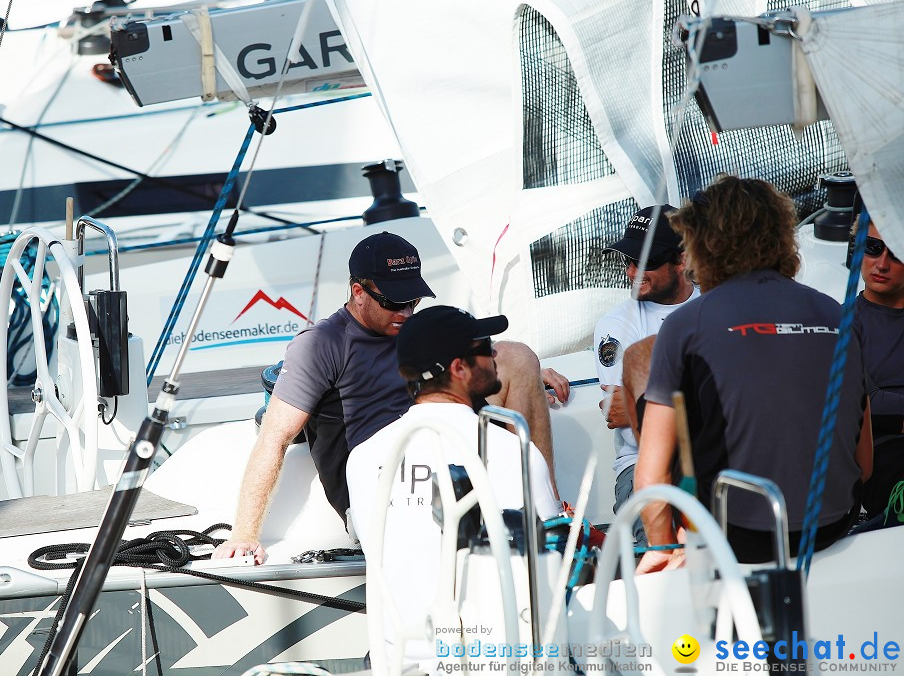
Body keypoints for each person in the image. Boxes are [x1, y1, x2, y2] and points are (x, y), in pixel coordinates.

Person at [213, 231, 568, 563]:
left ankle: (547, 510)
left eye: (413, 298)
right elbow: (273, 438)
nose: (406, 312)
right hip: (383, 490)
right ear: (358, 292)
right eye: (393, 301)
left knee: (519, 358)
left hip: (446, 464)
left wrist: (525, 376)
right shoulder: (321, 345)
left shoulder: (415, 330)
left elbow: (471, 364)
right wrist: (244, 534)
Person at [635, 175, 872, 570]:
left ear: (700, 244)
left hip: (741, 540)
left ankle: (670, 545)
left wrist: (662, 551)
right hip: (832, 524)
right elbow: (863, 465)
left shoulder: (684, 325)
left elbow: (651, 480)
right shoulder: (836, 313)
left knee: (636, 363)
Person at [346, 305, 562, 671]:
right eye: (485, 347)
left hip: (397, 661)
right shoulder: (512, 451)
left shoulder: (363, 459)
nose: (495, 354)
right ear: (459, 368)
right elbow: (551, 561)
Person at [593, 205, 698, 545]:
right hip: (640, 463)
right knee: (659, 544)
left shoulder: (717, 303)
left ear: (681, 261)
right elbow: (618, 411)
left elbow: (638, 407)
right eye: (628, 260)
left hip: (714, 455)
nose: (632, 272)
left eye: (646, 262)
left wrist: (652, 397)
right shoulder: (616, 324)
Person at [854, 220, 904, 520]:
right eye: (873, 248)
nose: (881, 263)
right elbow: (867, 398)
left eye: (896, 252)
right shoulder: (840, 320)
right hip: (882, 455)